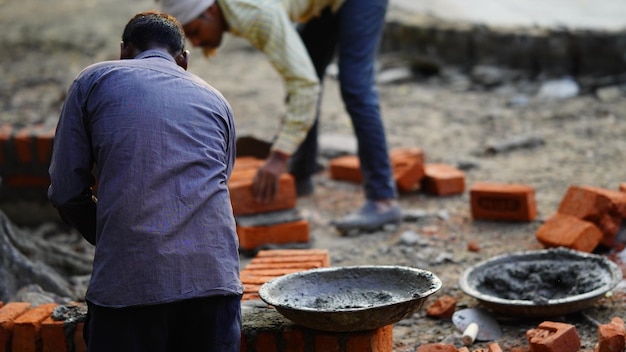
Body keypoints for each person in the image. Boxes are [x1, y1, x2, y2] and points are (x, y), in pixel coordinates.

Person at [47, 11, 242, 352]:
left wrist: (113, 236)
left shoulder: (93, 80)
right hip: (216, 286)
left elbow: (65, 191)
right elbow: (219, 181)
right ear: (183, 60)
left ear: (124, 51)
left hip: (128, 290)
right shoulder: (217, 100)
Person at [160, 0, 402, 232]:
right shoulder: (235, 10)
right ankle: (302, 173)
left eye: (195, 31)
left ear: (210, 10)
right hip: (324, 4)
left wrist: (278, 157)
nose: (198, 41)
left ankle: (383, 199)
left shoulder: (255, 13)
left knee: (355, 86)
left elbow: (304, 85)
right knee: (307, 69)